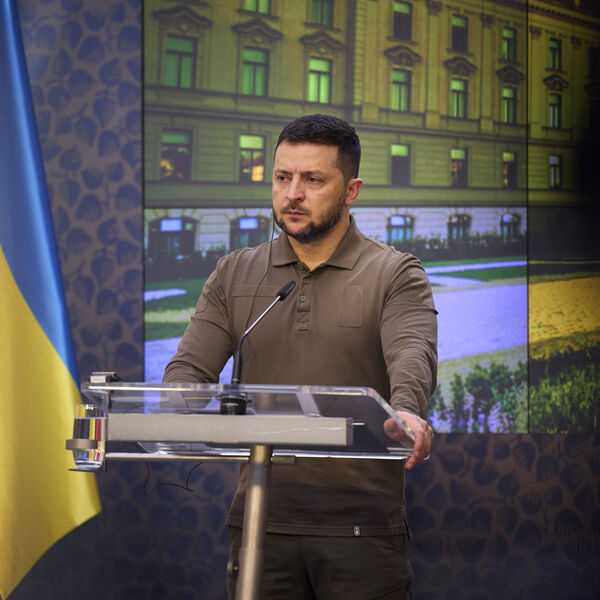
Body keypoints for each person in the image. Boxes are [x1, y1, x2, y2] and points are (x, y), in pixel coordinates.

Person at [163, 114, 437, 599]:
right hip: (259, 525)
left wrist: (408, 410)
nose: (292, 193)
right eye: (282, 177)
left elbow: (411, 352)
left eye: (312, 180)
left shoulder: (395, 273)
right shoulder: (234, 272)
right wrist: (172, 406)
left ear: (351, 191)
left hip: (361, 530)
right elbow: (188, 371)